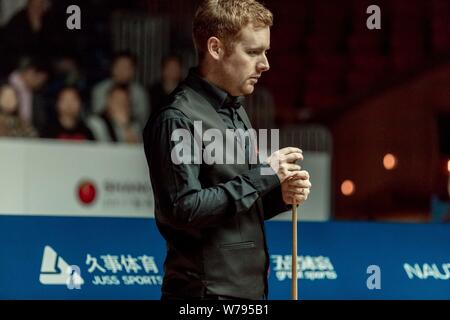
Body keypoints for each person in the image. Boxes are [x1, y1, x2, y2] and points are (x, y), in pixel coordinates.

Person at [143, 0, 311, 300]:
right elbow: (184, 209)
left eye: (266, 52)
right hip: (205, 295)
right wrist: (263, 176)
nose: (265, 64)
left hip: (248, 292)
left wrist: (279, 196)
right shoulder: (177, 117)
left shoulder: (235, 110)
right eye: (252, 52)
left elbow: (234, 203)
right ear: (216, 48)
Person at [91, 51, 149, 128]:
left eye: (126, 67)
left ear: (133, 71)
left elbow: (143, 120)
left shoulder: (140, 93)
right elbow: (97, 116)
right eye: (119, 66)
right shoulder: (100, 90)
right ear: (112, 68)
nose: (122, 71)